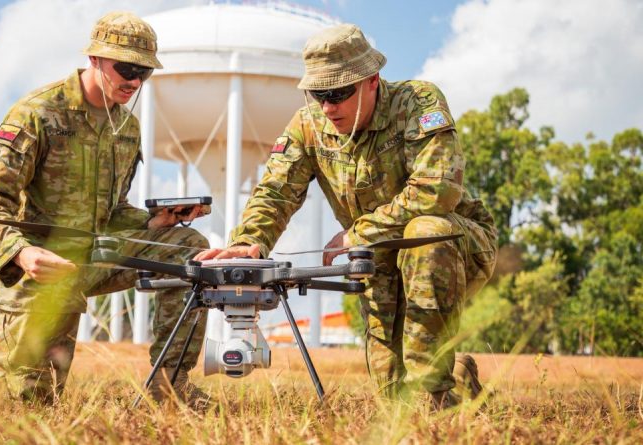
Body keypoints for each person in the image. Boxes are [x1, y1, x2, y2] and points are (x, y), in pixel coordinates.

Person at [0, 12, 208, 405]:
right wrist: (21, 252)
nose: (135, 81)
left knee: (189, 248)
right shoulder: (36, 114)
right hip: (39, 271)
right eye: (125, 68)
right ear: (94, 59)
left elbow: (111, 211)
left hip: (94, 258)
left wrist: (152, 221)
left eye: (144, 72)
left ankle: (169, 388)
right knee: (27, 401)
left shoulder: (126, 128)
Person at [195, 24, 497, 409]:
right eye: (318, 94)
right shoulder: (309, 127)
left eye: (337, 93)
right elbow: (275, 192)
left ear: (371, 80)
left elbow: (437, 190)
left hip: (454, 246)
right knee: (392, 394)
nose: (327, 107)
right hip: (377, 258)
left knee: (426, 231)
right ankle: (455, 373)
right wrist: (248, 241)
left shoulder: (417, 103)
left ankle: (435, 399)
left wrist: (360, 233)